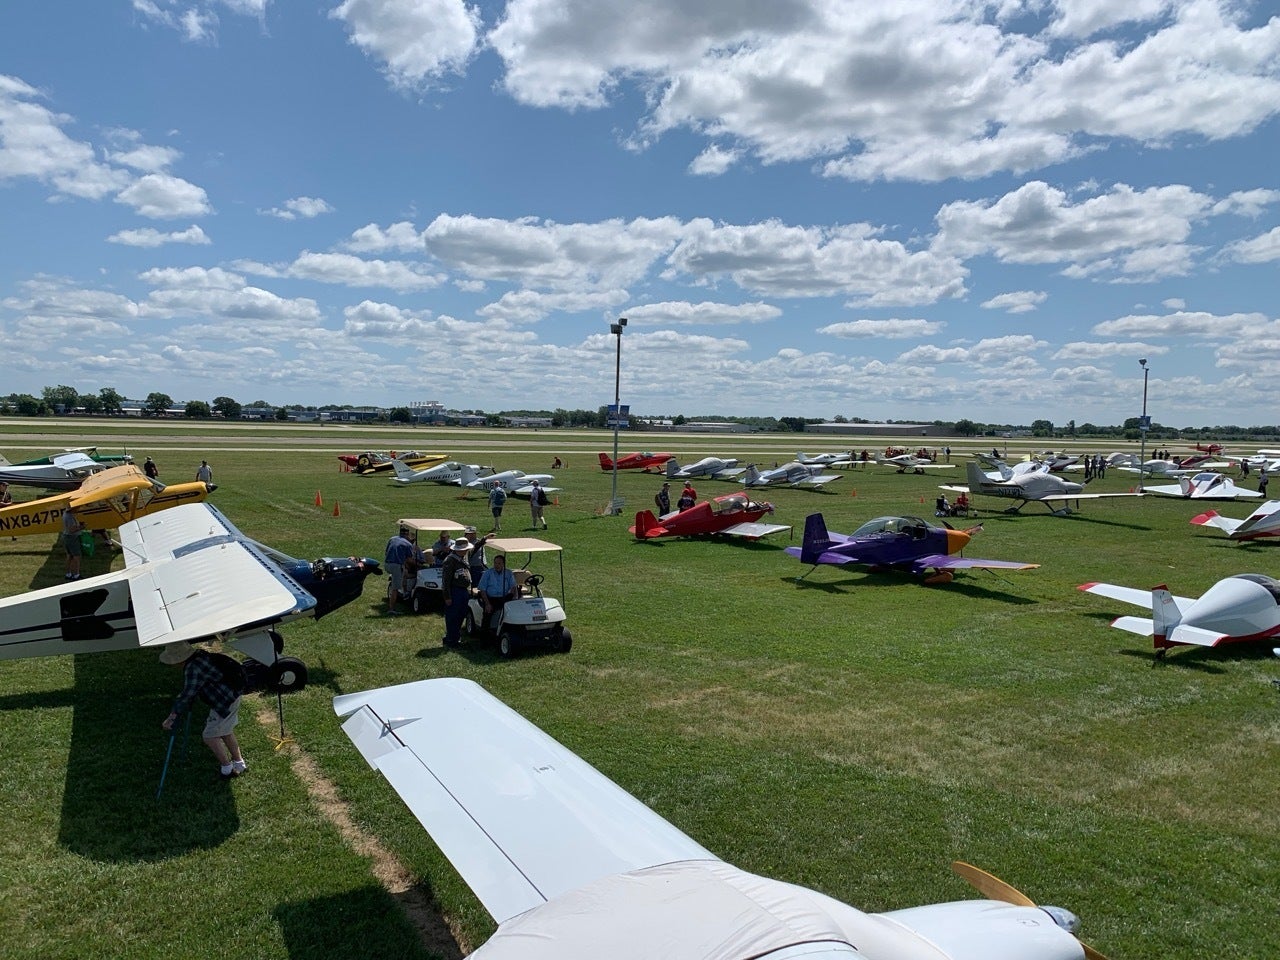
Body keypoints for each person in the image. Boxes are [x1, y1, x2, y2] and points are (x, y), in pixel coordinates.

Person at [160, 641, 246, 780]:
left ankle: (227, 769)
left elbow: (187, 693)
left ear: (179, 659)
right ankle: (239, 764)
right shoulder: (200, 656)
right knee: (225, 731)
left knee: (209, 736)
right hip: (232, 694)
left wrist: (172, 716)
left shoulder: (193, 668)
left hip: (224, 701)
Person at [441, 537, 473, 647]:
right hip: (454, 591)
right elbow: (446, 581)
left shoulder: (463, 558)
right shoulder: (450, 561)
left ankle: (454, 637)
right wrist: (447, 597)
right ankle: (451, 640)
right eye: (464, 549)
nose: (466, 551)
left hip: (463, 591)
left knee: (461, 614)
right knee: (453, 616)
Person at [477, 552, 518, 634]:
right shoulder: (488, 573)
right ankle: (485, 636)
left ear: (503, 564)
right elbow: (482, 589)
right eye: (495, 563)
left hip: (504, 598)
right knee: (488, 613)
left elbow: (513, 586)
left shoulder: (508, 573)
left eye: (499, 563)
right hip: (490, 598)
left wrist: (514, 597)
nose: (497, 565)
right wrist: (487, 604)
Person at [383, 526, 415, 614]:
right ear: (407, 534)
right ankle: (391, 609)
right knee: (395, 588)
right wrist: (419, 564)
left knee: (403, 573)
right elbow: (409, 559)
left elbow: (386, 552)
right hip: (396, 566)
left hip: (387, 564)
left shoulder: (392, 539)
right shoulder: (408, 544)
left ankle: (404, 591)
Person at [61, 508, 84, 580]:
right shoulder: (70, 517)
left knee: (69, 556)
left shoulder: (65, 514)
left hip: (67, 537)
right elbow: (71, 530)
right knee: (76, 556)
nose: (78, 508)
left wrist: (78, 525)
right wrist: (81, 527)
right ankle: (76, 575)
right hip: (72, 538)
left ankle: (68, 574)